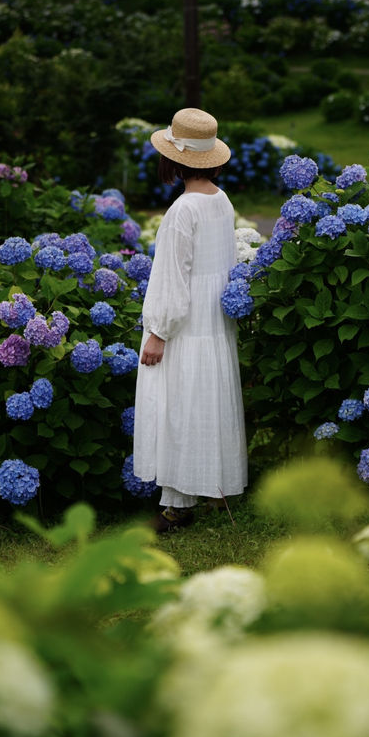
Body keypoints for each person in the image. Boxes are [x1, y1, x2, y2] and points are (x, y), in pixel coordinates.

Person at [133, 108, 247, 532]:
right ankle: (214, 485)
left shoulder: (182, 210)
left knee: (179, 406)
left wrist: (159, 331)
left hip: (184, 326)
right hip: (211, 322)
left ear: (173, 160)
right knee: (206, 402)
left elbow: (172, 277)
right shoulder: (221, 200)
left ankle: (178, 505)